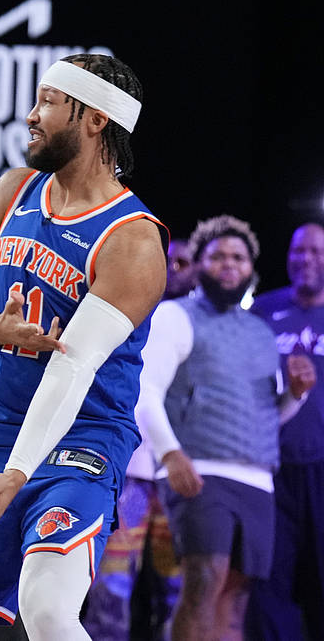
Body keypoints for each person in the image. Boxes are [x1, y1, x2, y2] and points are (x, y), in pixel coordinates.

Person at [0, 53, 167, 640]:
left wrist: (17, 471)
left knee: (48, 608)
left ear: (95, 119)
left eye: (48, 103)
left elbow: (72, 369)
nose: (31, 115)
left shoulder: (133, 240)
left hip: (80, 436)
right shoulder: (14, 190)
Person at [134, 215, 314, 641]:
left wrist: (296, 394)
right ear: (198, 264)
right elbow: (145, 390)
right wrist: (170, 453)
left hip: (257, 479)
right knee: (203, 582)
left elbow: (269, 416)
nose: (229, 264)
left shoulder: (261, 331)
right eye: (217, 256)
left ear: (251, 268)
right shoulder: (175, 315)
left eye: (238, 257)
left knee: (236, 600)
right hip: (200, 471)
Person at [82, 237, 194, 640]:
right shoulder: (123, 306)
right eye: (168, 261)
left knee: (175, 590)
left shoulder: (198, 322)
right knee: (112, 587)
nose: (174, 269)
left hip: (175, 474)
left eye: (183, 262)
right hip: (128, 472)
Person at [246, 222, 324, 640]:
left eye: (316, 251)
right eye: (298, 251)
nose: (305, 259)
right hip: (271, 464)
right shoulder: (263, 309)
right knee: (269, 581)